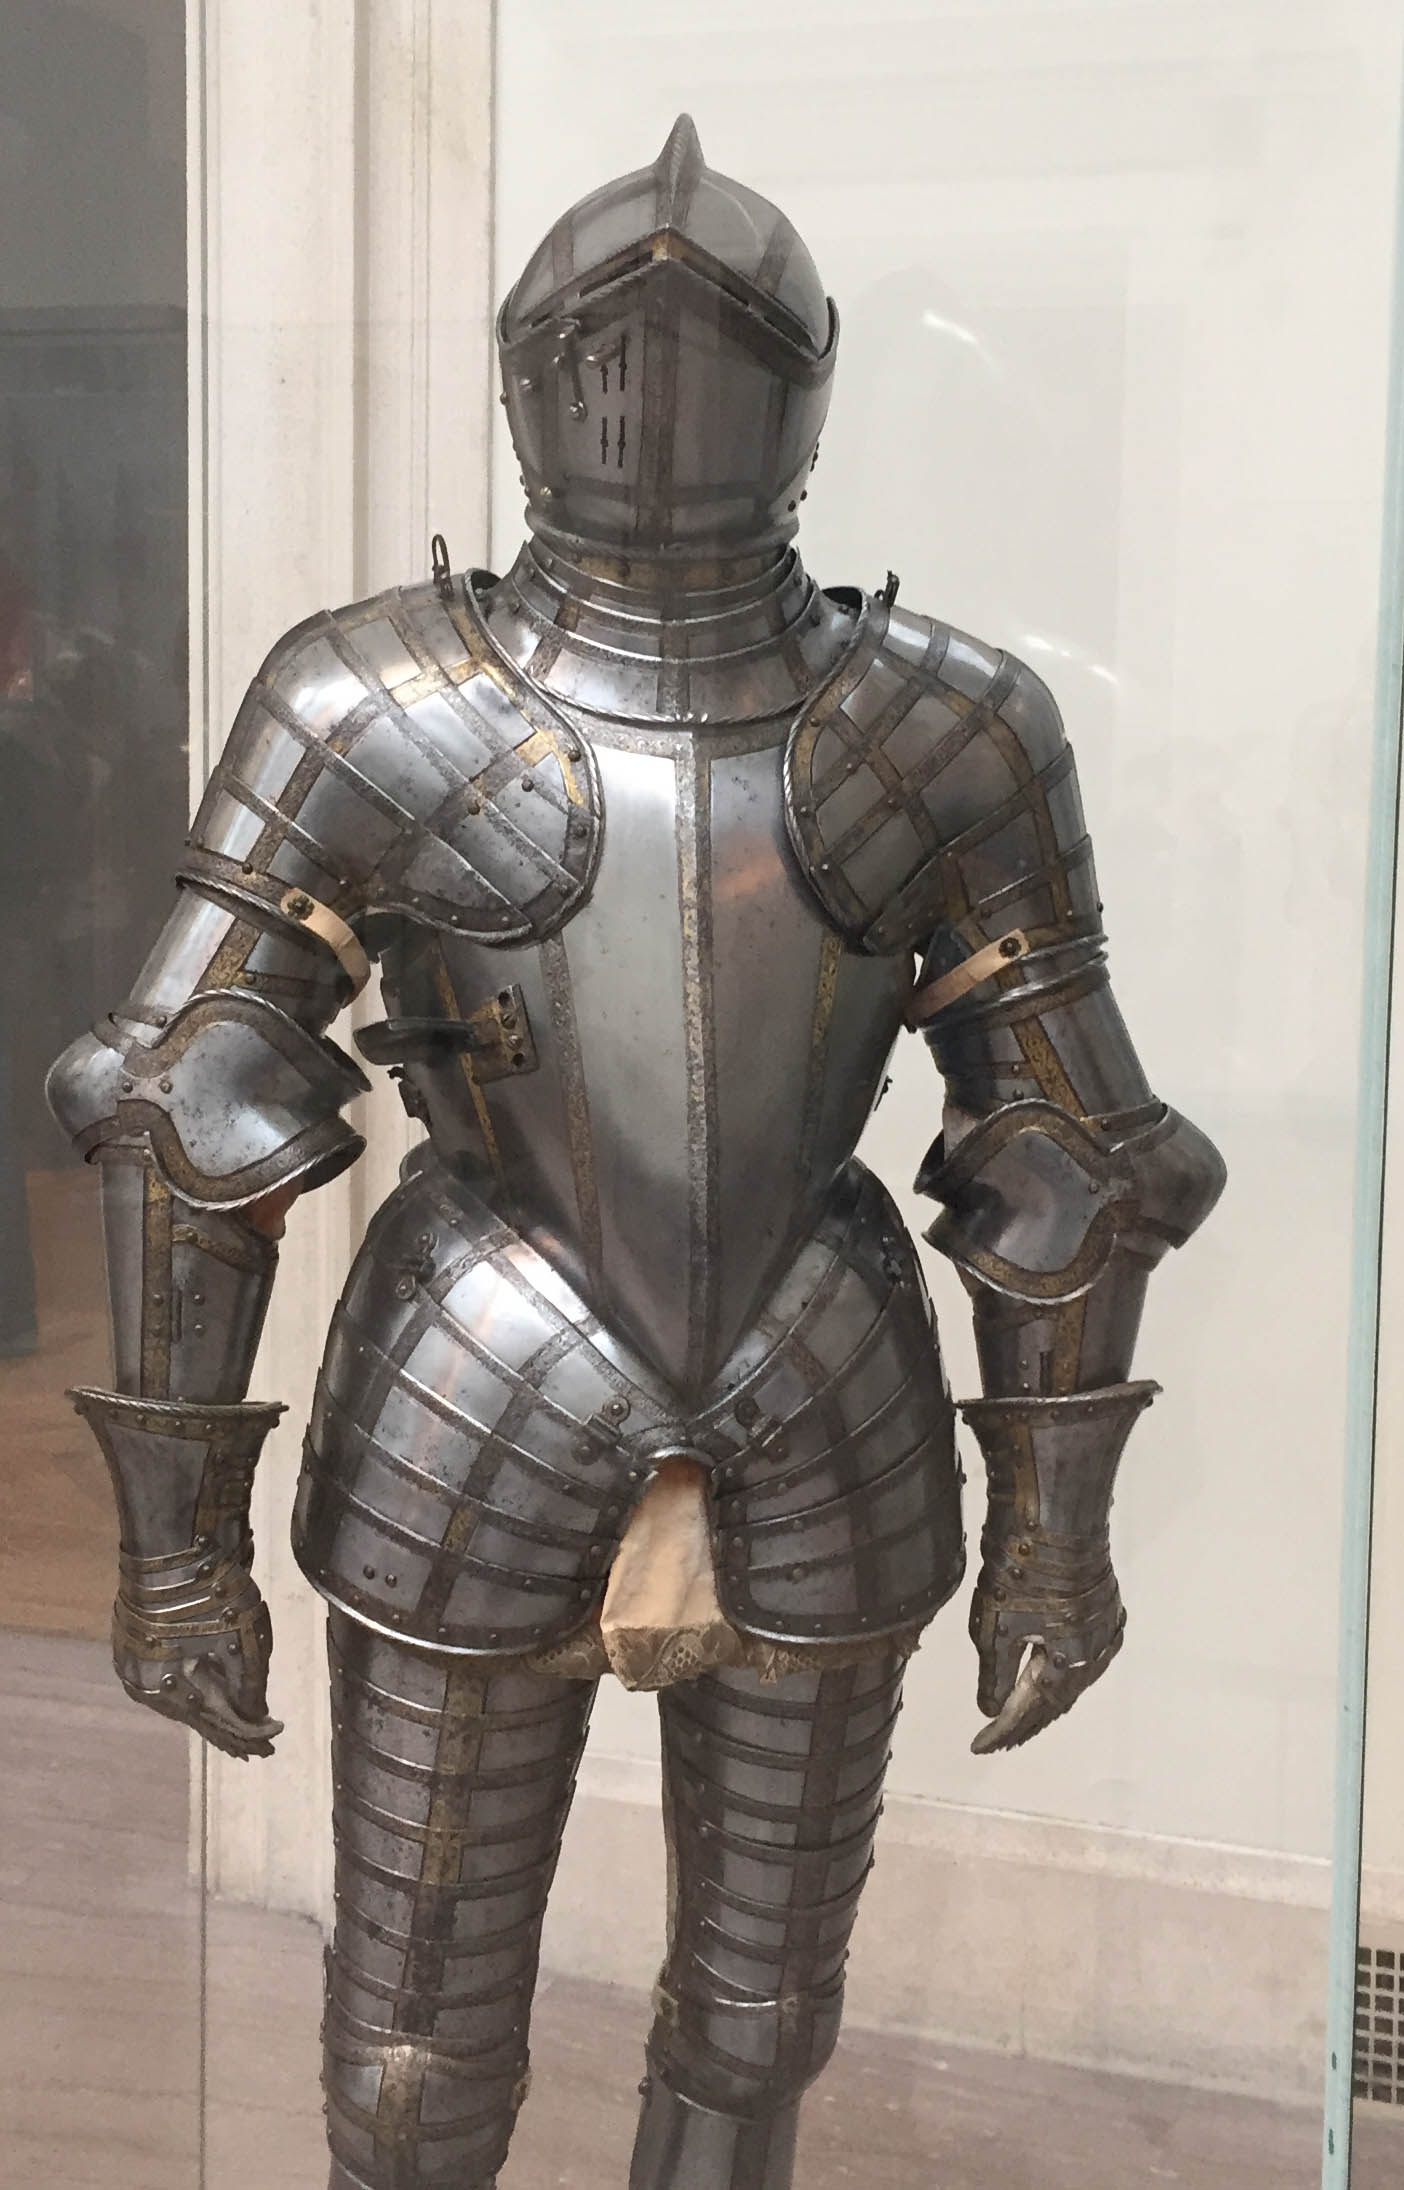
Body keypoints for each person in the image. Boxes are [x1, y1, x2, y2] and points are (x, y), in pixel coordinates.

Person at [47, 116, 1224, 2190]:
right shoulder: (366, 699)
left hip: (815, 1381)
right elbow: (183, 1107)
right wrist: (173, 1551)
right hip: (474, 1374)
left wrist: (1055, 1535)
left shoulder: (950, 725)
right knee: (412, 2054)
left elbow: (1066, 1146)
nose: (657, 402)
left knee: (761, 2020)